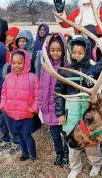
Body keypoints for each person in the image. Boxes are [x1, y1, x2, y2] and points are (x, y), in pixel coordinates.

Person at [55, 37, 102, 178]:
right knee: (72, 140)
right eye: (74, 52)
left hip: (88, 110)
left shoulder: (93, 70)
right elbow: (58, 93)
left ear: (87, 52)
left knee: (92, 139)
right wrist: (60, 113)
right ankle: (75, 167)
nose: (76, 56)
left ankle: (96, 163)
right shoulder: (66, 70)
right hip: (72, 111)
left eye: (80, 53)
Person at [0, 50, 39, 161]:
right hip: (12, 113)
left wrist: (34, 108)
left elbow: (37, 95)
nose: (16, 65)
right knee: (19, 135)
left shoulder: (32, 78)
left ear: (25, 63)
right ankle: (24, 153)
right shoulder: (8, 77)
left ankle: (33, 155)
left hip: (26, 113)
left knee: (26, 135)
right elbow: (4, 92)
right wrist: (4, 104)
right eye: (14, 62)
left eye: (19, 63)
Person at [38, 33, 69, 166]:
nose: (55, 53)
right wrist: (40, 105)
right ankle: (59, 153)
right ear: (48, 50)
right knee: (54, 133)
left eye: (59, 50)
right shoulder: (45, 67)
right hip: (48, 107)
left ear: (64, 50)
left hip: (61, 108)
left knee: (66, 132)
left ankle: (67, 154)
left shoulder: (67, 67)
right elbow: (41, 87)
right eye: (52, 50)